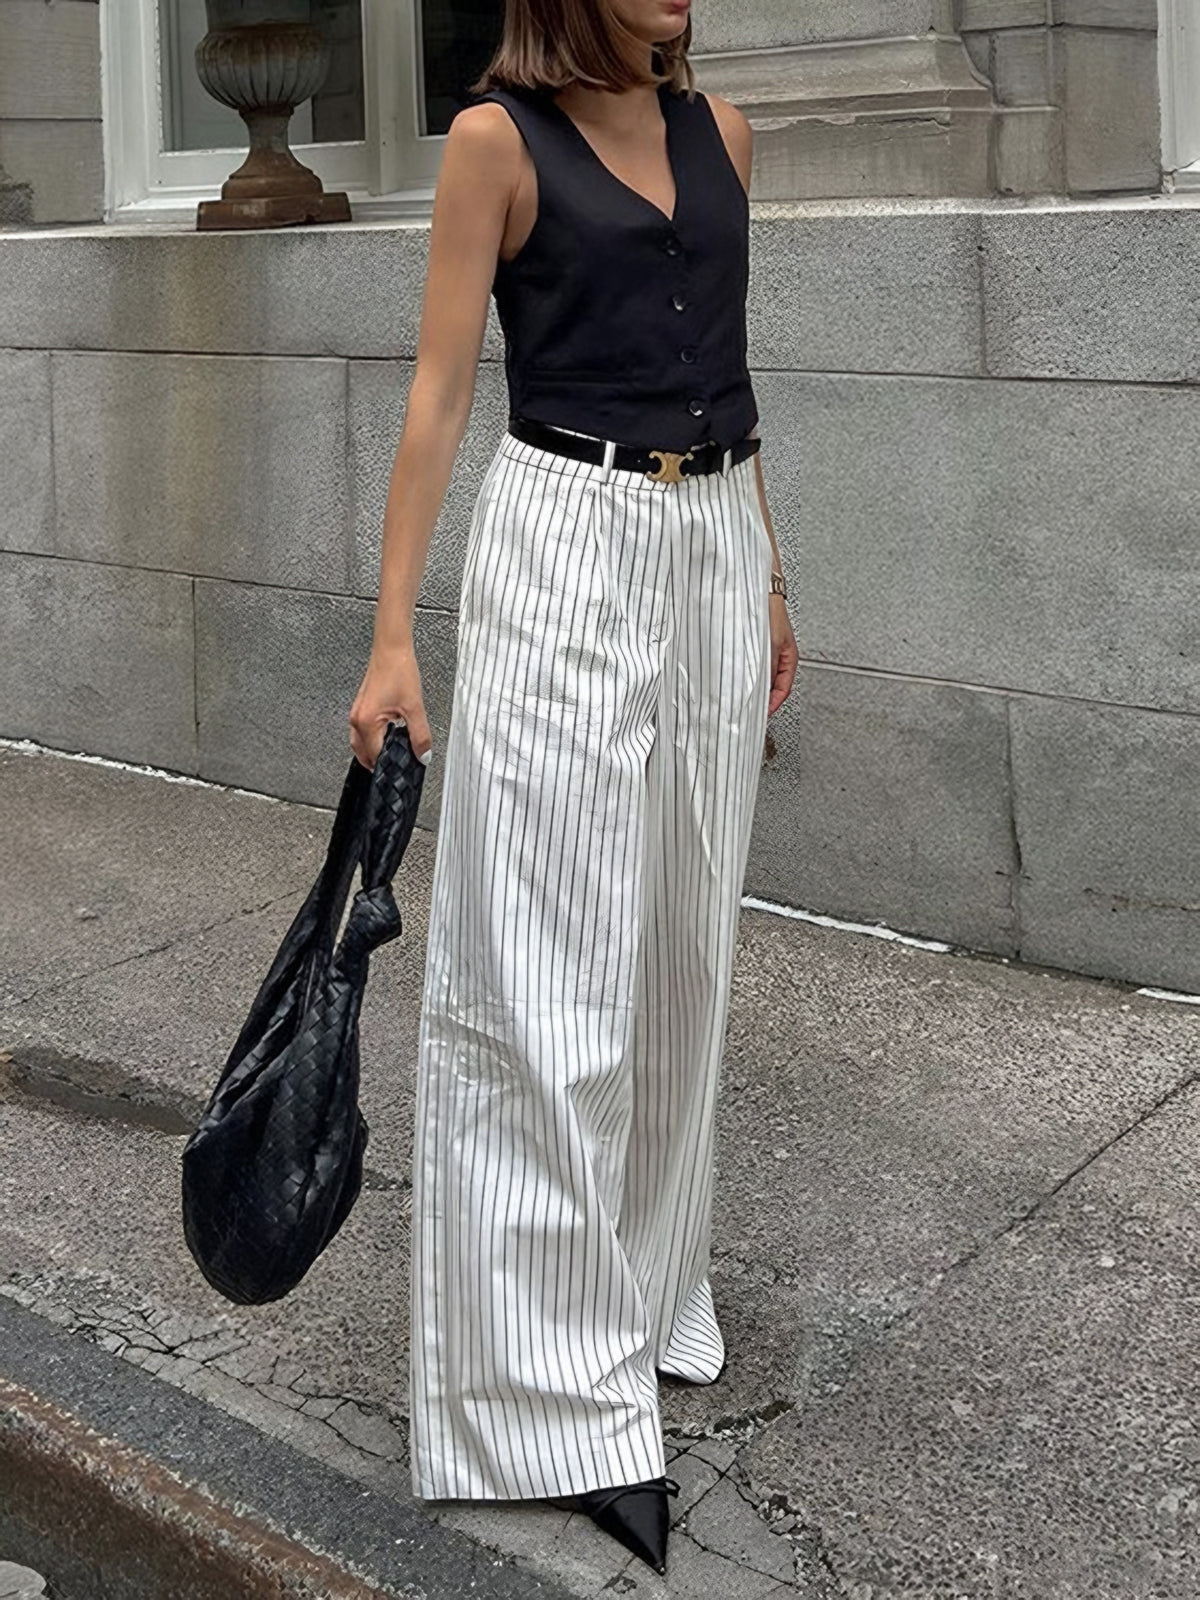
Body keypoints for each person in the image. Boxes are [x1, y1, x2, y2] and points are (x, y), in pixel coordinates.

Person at [348, 0, 798, 1576]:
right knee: (541, 969)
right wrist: (393, 637)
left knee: (682, 951)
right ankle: (542, 1399)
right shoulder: (497, 143)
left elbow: (730, 366)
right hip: (564, 541)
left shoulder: (722, 134)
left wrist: (770, 574)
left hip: (712, 541)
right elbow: (436, 394)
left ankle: (647, 1296)